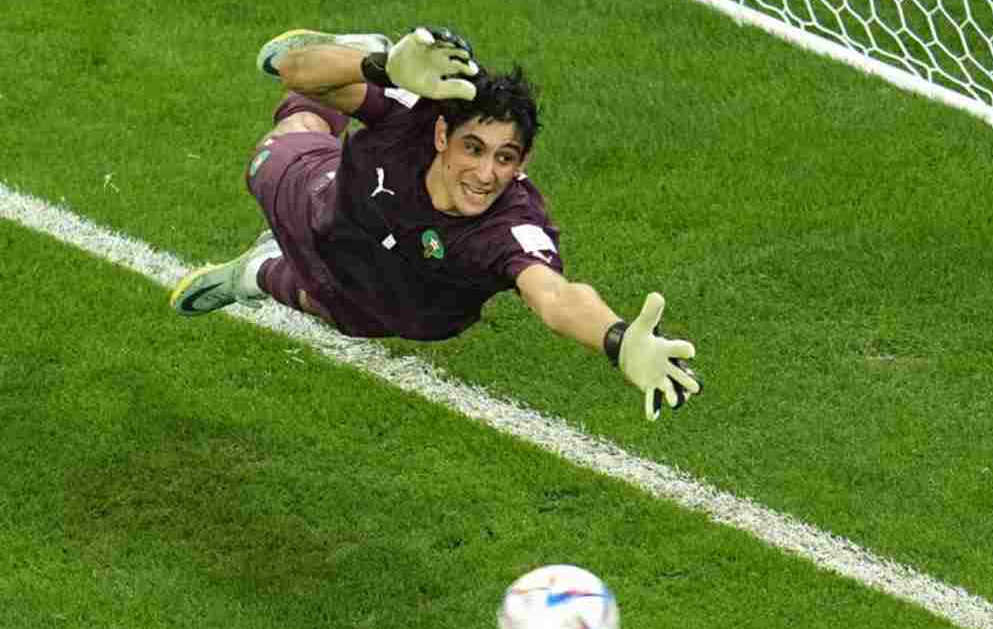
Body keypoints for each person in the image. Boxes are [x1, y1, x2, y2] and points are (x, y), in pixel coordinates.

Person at [170, 26, 702, 419]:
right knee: (275, 149)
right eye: (473, 148)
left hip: (398, 306)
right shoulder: (415, 113)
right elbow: (286, 67)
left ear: (523, 161)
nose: (485, 174)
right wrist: (378, 67)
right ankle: (355, 51)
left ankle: (255, 271)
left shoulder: (512, 228)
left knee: (327, 304)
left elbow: (557, 297)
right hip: (326, 207)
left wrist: (616, 339)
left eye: (505, 158)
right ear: (443, 136)